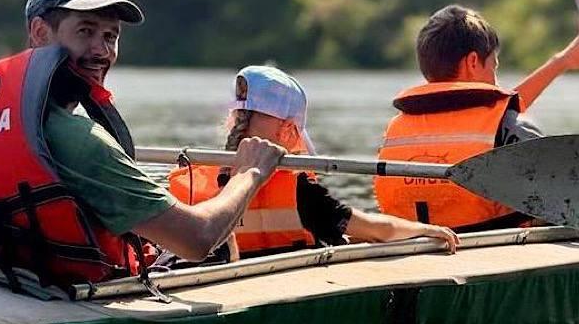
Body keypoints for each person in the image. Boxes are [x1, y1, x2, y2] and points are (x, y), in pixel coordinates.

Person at [0, 0, 285, 293]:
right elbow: (198, 239)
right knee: (220, 248)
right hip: (41, 302)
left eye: (110, 36)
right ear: (40, 34)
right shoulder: (78, 140)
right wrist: (248, 174)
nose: (101, 50)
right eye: (85, 31)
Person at [165, 65, 459, 261]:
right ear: (289, 131)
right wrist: (425, 229)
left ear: (234, 118)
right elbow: (376, 229)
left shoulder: (198, 179)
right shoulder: (299, 189)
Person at [374, 4, 579, 232]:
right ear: (473, 62)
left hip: (412, 244)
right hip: (489, 250)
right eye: (494, 67)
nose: (496, 80)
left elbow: (495, 113)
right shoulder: (511, 131)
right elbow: (569, 201)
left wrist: (563, 61)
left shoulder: (397, 129)